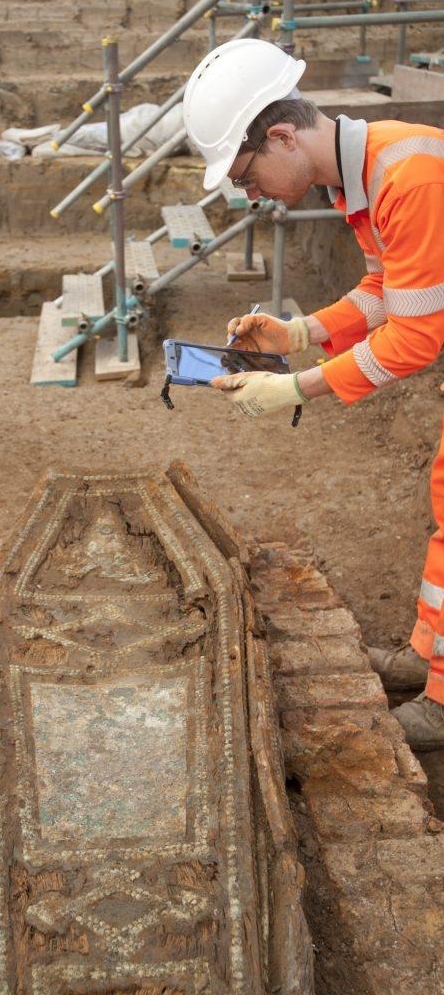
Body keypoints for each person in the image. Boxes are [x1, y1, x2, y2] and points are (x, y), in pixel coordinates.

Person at [183, 37, 444, 750]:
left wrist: (293, 388)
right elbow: (385, 293)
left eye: (245, 176)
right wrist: (295, 335)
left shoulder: (406, 177)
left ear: (280, 136)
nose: (249, 193)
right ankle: (427, 657)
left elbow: (415, 338)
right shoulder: (363, 175)